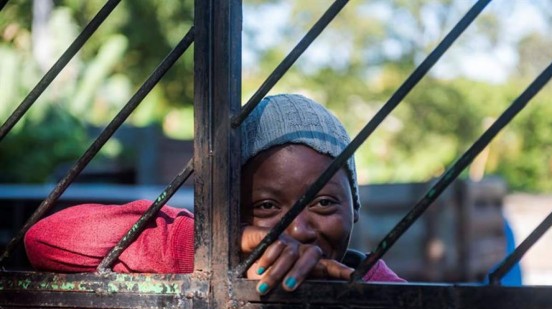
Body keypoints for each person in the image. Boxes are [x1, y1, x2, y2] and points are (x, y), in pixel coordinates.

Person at [25, 94, 405, 294]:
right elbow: (42, 240)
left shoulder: (391, 298)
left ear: (354, 205)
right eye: (267, 206)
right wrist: (207, 245)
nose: (300, 229)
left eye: (323, 202)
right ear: (236, 213)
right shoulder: (211, 269)